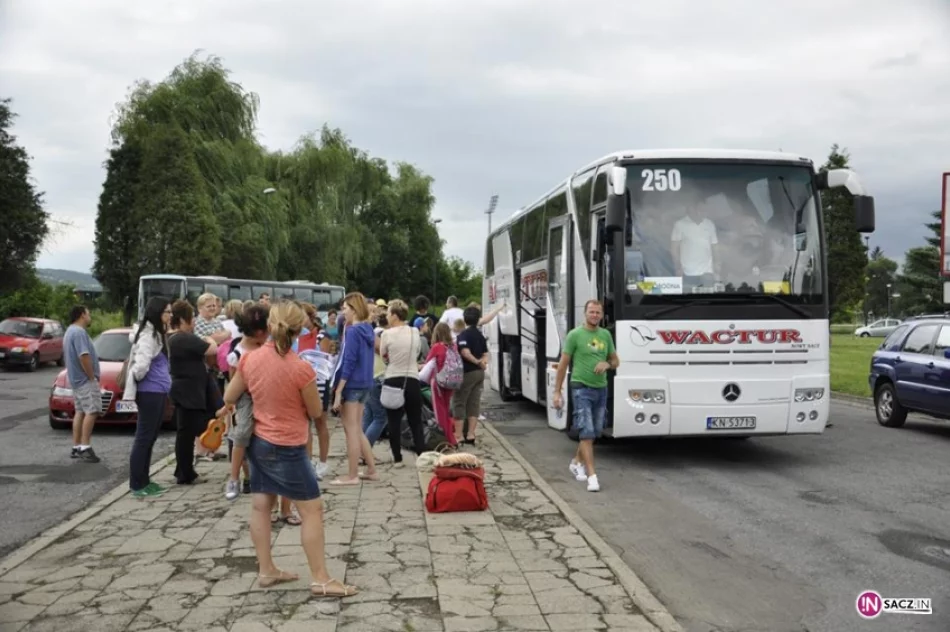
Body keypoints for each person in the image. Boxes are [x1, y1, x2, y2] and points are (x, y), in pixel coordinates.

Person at [218, 300, 358, 598]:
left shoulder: (250, 359)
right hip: (289, 446)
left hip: (259, 443)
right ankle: (321, 578)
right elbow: (314, 411)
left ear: (269, 326)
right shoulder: (301, 368)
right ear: (298, 331)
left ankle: (266, 569)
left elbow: (230, 395)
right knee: (312, 510)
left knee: (260, 506)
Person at [552, 299, 619, 493]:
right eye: (591, 312)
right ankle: (592, 477)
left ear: (601, 314)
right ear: (585, 313)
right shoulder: (575, 335)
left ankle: (576, 462)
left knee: (595, 432)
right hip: (581, 388)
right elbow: (563, 364)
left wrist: (607, 364)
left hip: (601, 389)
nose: (595, 315)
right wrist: (557, 391)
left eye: (598, 312)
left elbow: (615, 360)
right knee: (587, 432)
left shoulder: (605, 335)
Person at [123, 297, 172, 497]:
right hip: (149, 392)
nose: (170, 316)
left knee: (150, 437)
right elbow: (141, 364)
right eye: (167, 312)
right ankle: (137, 484)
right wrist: (138, 379)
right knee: (144, 437)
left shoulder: (156, 333)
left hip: (157, 391)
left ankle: (145, 480)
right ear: (157, 313)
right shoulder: (148, 335)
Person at [167, 300, 219, 485]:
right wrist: (210, 338)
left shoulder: (174, 338)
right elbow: (212, 348)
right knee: (191, 432)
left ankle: (183, 470)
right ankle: (185, 473)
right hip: (189, 393)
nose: (194, 322)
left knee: (185, 434)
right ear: (182, 319)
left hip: (185, 392)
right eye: (192, 318)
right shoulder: (183, 338)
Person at [330, 292, 378, 485]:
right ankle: (372, 469)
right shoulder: (368, 329)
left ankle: (352, 475)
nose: (343, 312)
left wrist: (339, 390)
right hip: (366, 382)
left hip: (352, 384)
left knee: (350, 431)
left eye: (345, 308)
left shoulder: (352, 332)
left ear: (354, 309)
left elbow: (349, 362)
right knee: (357, 429)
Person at [223, 303, 270, 500]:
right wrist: (229, 405)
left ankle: (256, 476)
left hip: (266, 394)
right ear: (259, 332)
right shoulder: (239, 353)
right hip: (246, 397)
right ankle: (234, 478)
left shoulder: (267, 346)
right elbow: (234, 381)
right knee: (241, 434)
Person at [380, 299, 426, 463]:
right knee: (416, 420)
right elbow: (418, 352)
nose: (386, 316)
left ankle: (397, 457)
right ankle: (421, 455)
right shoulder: (414, 332)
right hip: (412, 378)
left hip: (393, 378)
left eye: (388, 313)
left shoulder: (386, 334)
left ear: (393, 315)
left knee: (394, 421)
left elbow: (383, 354)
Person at [63, 305, 101, 463]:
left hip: (76, 381)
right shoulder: (79, 333)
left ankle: (76, 446)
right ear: (81, 315)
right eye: (88, 313)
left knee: (80, 411)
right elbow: (83, 356)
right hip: (85, 380)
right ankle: (85, 447)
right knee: (92, 411)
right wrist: (91, 376)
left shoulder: (69, 331)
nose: (90, 316)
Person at [421, 322, 459, 447]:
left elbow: (428, 364)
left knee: (439, 412)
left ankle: (444, 439)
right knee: (447, 409)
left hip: (438, 383)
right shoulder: (453, 346)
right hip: (451, 382)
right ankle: (452, 438)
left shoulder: (436, 347)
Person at [454, 306, 488, 444]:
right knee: (474, 403)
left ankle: (458, 435)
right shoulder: (480, 335)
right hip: (480, 374)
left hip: (467, 372)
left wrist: (477, 362)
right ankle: (471, 434)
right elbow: (486, 354)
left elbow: (465, 352)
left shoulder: (463, 335)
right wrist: (483, 363)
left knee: (459, 402)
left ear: (465, 319)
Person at [671, 199, 719, 287]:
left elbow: (715, 247)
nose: (703, 212)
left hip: (707, 271)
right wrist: (678, 267)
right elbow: (674, 248)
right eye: (701, 209)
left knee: (707, 297)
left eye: (705, 210)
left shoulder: (709, 224)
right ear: (693, 209)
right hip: (688, 271)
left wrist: (716, 266)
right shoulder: (680, 224)